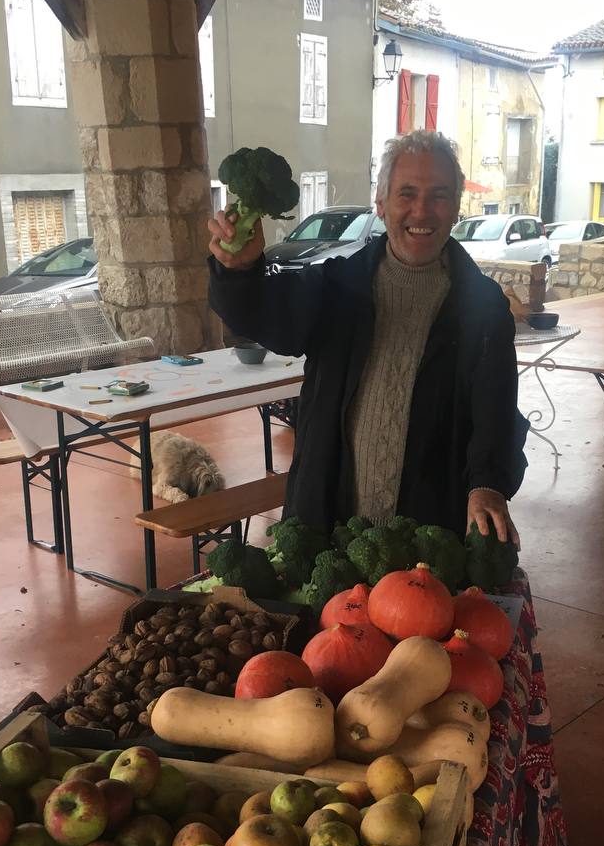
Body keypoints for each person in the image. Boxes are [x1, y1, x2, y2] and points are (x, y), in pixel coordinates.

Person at [206, 130, 528, 540]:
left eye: (439, 195)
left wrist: (488, 484)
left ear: (455, 208)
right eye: (406, 193)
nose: (422, 211)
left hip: (428, 536)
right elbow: (266, 317)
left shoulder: (484, 308)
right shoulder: (339, 285)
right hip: (328, 525)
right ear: (381, 203)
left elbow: (495, 411)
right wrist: (238, 271)